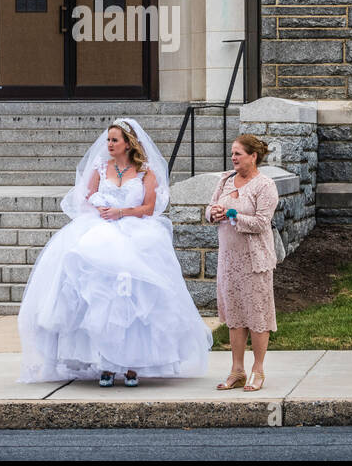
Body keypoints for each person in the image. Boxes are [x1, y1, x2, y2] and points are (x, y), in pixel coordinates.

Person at [18, 117, 213, 386]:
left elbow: (148, 208)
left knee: (133, 298)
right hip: (101, 229)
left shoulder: (145, 171)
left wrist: (121, 211)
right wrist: (99, 205)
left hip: (137, 231)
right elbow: (84, 197)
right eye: (108, 139)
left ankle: (132, 363)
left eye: (114, 140)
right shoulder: (100, 167)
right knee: (98, 296)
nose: (109, 144)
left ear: (128, 144)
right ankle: (104, 363)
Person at [204, 134, 279, 392]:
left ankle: (258, 370)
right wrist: (213, 213)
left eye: (238, 154)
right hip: (229, 259)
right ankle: (237, 369)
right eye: (232, 153)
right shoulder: (225, 179)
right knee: (235, 314)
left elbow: (261, 222)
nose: (233, 158)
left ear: (253, 156)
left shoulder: (265, 185)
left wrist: (234, 214)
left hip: (254, 259)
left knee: (257, 314)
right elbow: (210, 207)